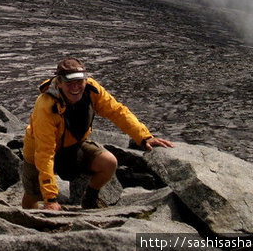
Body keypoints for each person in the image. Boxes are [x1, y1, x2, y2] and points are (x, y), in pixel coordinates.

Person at [20, 57, 174, 210]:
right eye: (69, 83)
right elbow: (44, 153)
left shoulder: (92, 90)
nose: (75, 87)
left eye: (79, 82)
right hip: (38, 153)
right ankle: (28, 220)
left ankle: (90, 198)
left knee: (109, 163)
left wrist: (144, 137)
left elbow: (117, 112)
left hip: (73, 146)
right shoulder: (46, 106)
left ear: (85, 80)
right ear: (59, 82)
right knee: (34, 194)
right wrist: (50, 199)